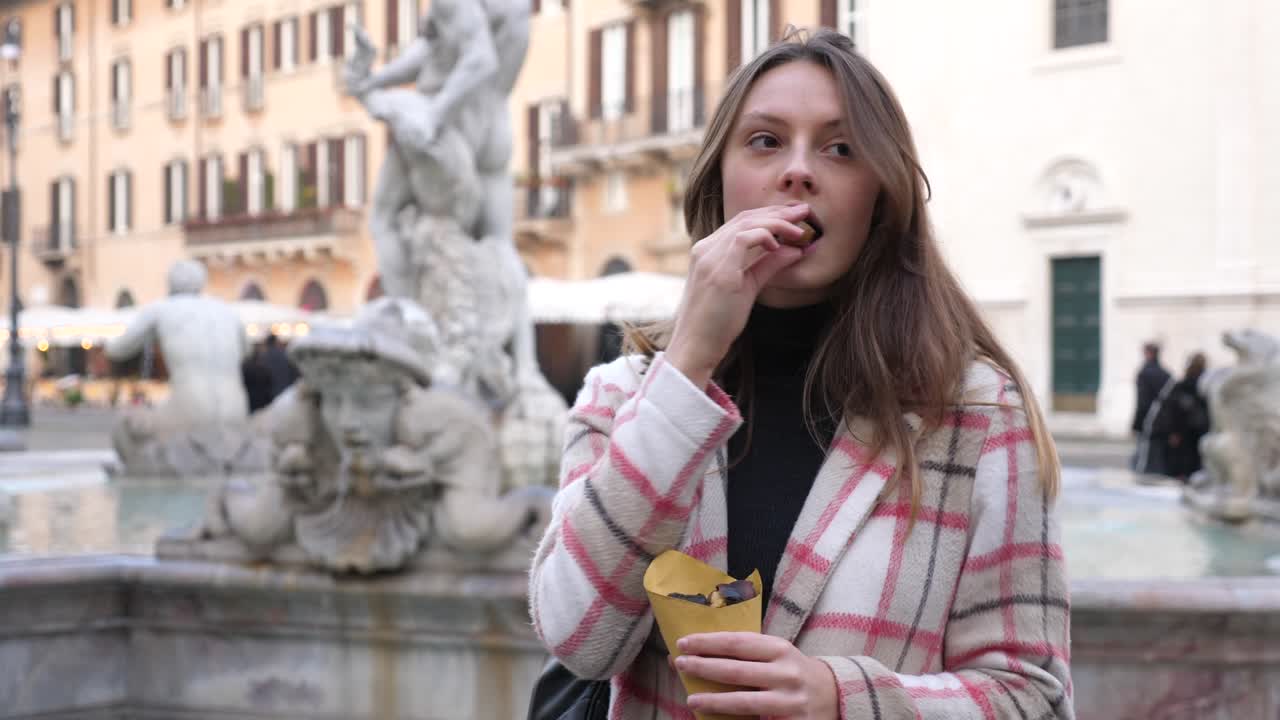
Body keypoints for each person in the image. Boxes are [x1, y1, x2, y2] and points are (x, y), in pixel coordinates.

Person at [528, 28, 1072, 719]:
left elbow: (1034, 695)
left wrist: (843, 701)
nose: (798, 171)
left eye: (840, 149)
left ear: (881, 196)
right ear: (719, 178)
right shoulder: (624, 396)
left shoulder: (977, 415)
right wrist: (689, 361)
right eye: (764, 141)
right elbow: (579, 641)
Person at [1165, 352, 1210, 481]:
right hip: (1201, 426)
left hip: (1185, 428)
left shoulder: (1183, 384)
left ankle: (1185, 477)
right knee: (1197, 457)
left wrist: (1173, 431)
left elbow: (1174, 409)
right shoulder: (1205, 384)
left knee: (1185, 458)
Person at [1131, 343, 1173, 475]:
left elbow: (1142, 401)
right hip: (1163, 420)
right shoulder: (1166, 374)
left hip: (1148, 418)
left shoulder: (1144, 373)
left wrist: (1136, 423)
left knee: (1143, 452)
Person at [261, 334, 299, 401]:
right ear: (276, 342)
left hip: (271, 392)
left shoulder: (263, 358)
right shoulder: (286, 354)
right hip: (287, 390)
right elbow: (294, 372)